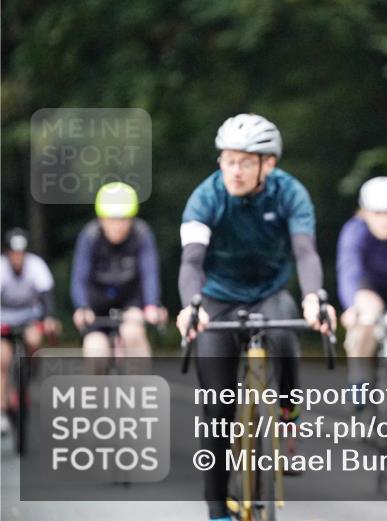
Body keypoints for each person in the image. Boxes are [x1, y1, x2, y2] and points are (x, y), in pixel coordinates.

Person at [174, 113, 335, 521]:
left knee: (284, 334)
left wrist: (315, 297)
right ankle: (216, 510)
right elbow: (191, 260)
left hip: (269, 293)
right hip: (217, 298)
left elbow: (305, 251)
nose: (236, 170)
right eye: (229, 160)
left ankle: (287, 416)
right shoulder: (205, 197)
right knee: (217, 408)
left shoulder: (289, 193)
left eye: (247, 161)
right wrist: (191, 304)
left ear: (269, 164)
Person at [337, 175, 387, 458]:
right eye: (377, 213)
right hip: (368, 287)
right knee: (366, 316)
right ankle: (358, 379)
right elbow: (348, 272)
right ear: (364, 212)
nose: (384, 220)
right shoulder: (354, 231)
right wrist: (351, 307)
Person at [70, 182, 164, 362]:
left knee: (133, 333)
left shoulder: (141, 234)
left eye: (124, 219)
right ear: (101, 218)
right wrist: (82, 307)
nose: (117, 226)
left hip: (130, 301)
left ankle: (140, 388)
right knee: (95, 350)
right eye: (111, 219)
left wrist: (152, 305)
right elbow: (79, 277)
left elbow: (149, 273)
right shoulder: (90, 236)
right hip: (96, 305)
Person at [0, 228, 59, 434]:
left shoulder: (36, 265)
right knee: (2, 359)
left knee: (34, 339)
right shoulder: (2, 268)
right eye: (13, 253)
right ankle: (2, 409)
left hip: (29, 316)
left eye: (21, 253)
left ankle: (28, 372)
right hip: (4, 318)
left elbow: (46, 294)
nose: (17, 257)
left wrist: (49, 318)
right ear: (7, 253)